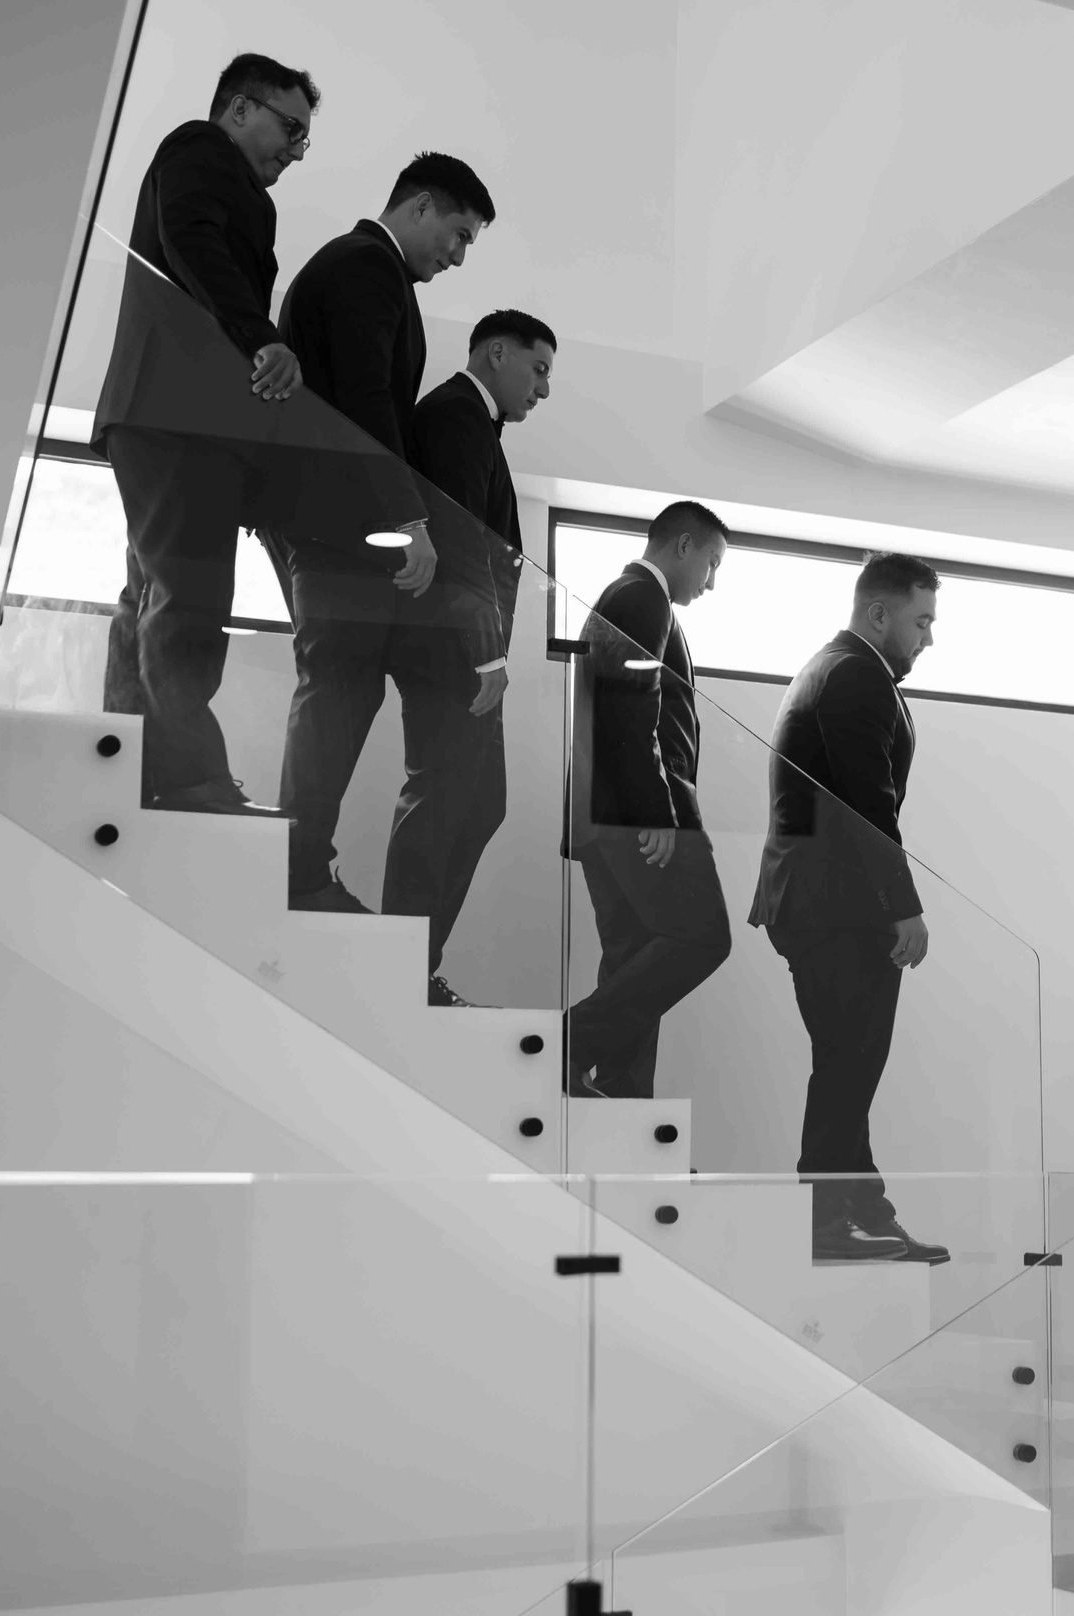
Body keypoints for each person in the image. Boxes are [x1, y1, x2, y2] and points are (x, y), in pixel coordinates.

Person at [266, 152, 496, 913]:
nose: (458, 256)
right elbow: (368, 399)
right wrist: (410, 518)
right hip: (334, 524)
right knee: (338, 686)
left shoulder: (364, 268)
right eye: (458, 234)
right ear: (421, 207)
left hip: (327, 520)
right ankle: (298, 873)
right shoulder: (367, 266)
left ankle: (305, 867)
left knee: (347, 687)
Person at [93, 52, 316, 814]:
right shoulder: (198, 150)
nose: (295, 147)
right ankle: (189, 778)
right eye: (289, 127)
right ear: (239, 108)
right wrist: (262, 336)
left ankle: (124, 762)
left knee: (153, 591)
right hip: (172, 418)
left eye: (304, 138)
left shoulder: (240, 185)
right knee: (187, 596)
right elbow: (192, 239)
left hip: (170, 419)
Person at [748, 553, 950, 1267]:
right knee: (848, 1062)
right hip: (834, 904)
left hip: (819, 899)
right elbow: (869, 802)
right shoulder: (854, 673)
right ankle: (827, 1218)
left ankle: (861, 1206)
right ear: (878, 613)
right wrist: (904, 906)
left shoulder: (839, 667)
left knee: (849, 1060)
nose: (928, 636)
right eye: (921, 619)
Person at [392, 309, 554, 1004]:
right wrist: (487, 655)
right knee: (442, 800)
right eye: (538, 369)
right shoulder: (457, 415)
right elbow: (461, 541)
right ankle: (401, 967)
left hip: (465, 649)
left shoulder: (471, 419)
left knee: (479, 803)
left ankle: (411, 960)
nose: (543, 390)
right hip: (454, 650)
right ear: (495, 354)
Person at [564, 501, 733, 1095]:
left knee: (633, 958)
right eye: (711, 563)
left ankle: (619, 1101)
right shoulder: (642, 597)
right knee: (704, 936)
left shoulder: (625, 595)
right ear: (683, 547)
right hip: (636, 818)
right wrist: (656, 813)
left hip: (600, 819)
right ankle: (568, 1045)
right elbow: (631, 709)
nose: (711, 582)